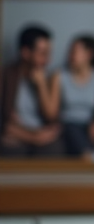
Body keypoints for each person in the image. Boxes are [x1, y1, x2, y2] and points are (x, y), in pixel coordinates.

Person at [0, 25, 63, 156]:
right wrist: (32, 137)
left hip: (43, 133)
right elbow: (6, 121)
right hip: (17, 133)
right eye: (43, 54)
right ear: (25, 53)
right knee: (10, 149)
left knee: (54, 149)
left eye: (49, 53)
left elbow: (52, 117)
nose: (48, 60)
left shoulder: (51, 77)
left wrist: (41, 86)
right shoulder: (7, 75)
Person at [59, 34, 94, 156]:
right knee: (72, 131)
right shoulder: (61, 76)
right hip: (69, 123)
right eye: (70, 51)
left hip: (89, 123)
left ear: (89, 54)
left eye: (74, 51)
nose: (70, 56)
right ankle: (89, 157)